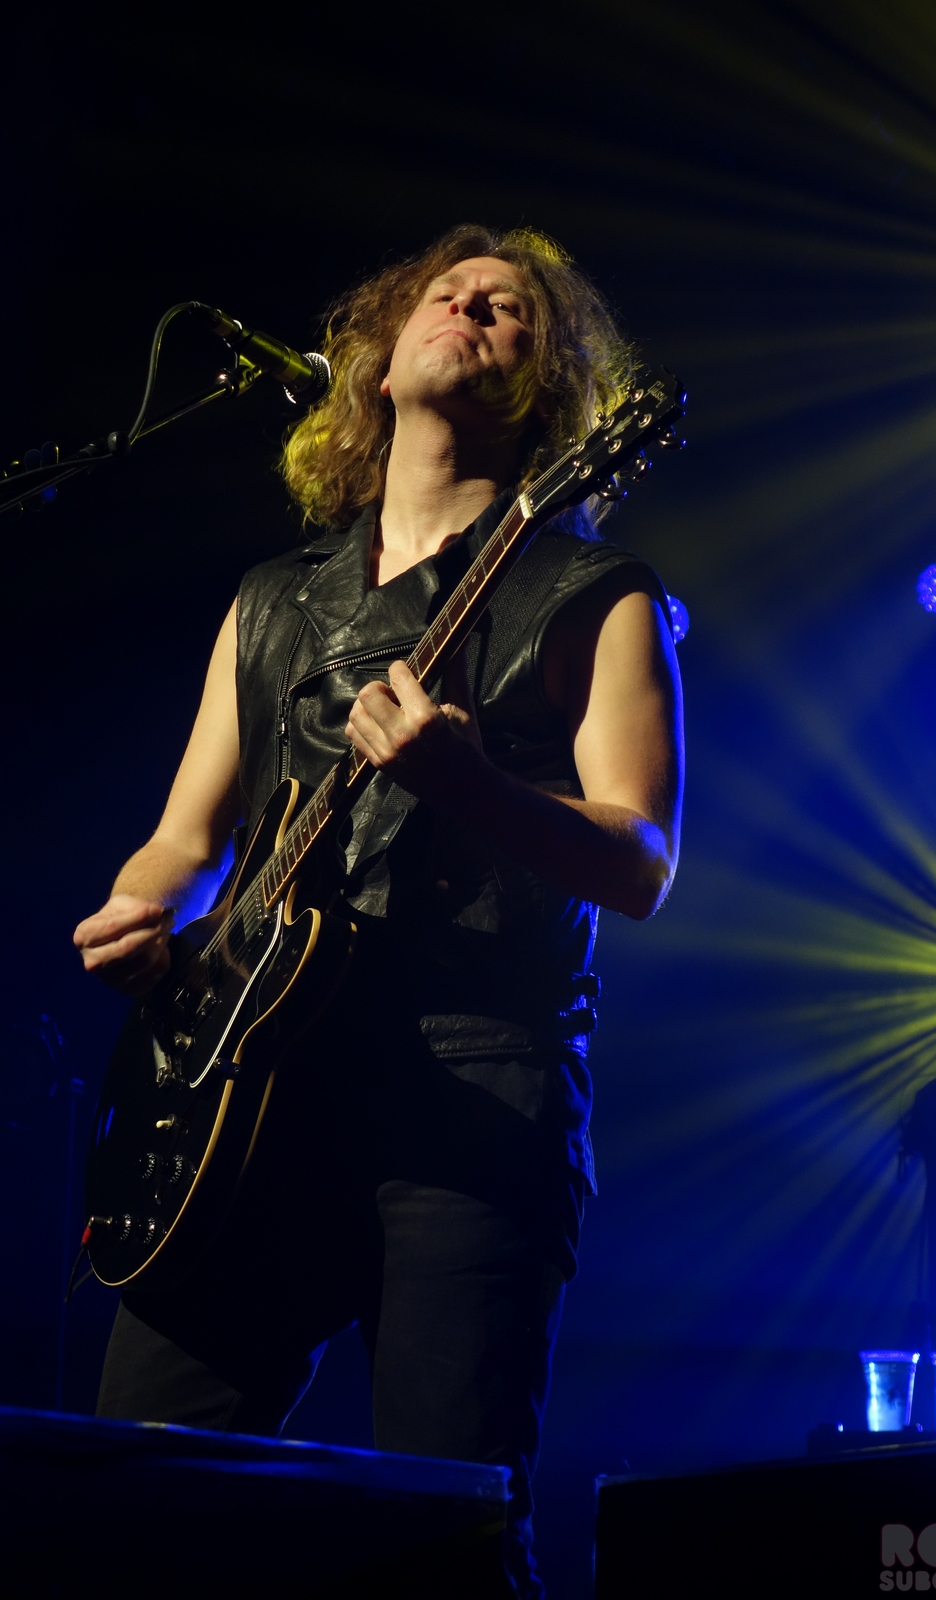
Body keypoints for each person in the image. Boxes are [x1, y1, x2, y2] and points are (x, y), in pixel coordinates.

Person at [73, 224, 683, 1597]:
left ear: (550, 382)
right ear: (377, 355)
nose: (468, 307)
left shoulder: (598, 594)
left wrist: (467, 783)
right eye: (443, 294)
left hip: (472, 1101)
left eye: (509, 308)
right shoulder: (272, 601)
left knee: (442, 1535)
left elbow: (641, 856)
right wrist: (139, 910)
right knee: (134, 1506)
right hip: (243, 1097)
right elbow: (186, 840)